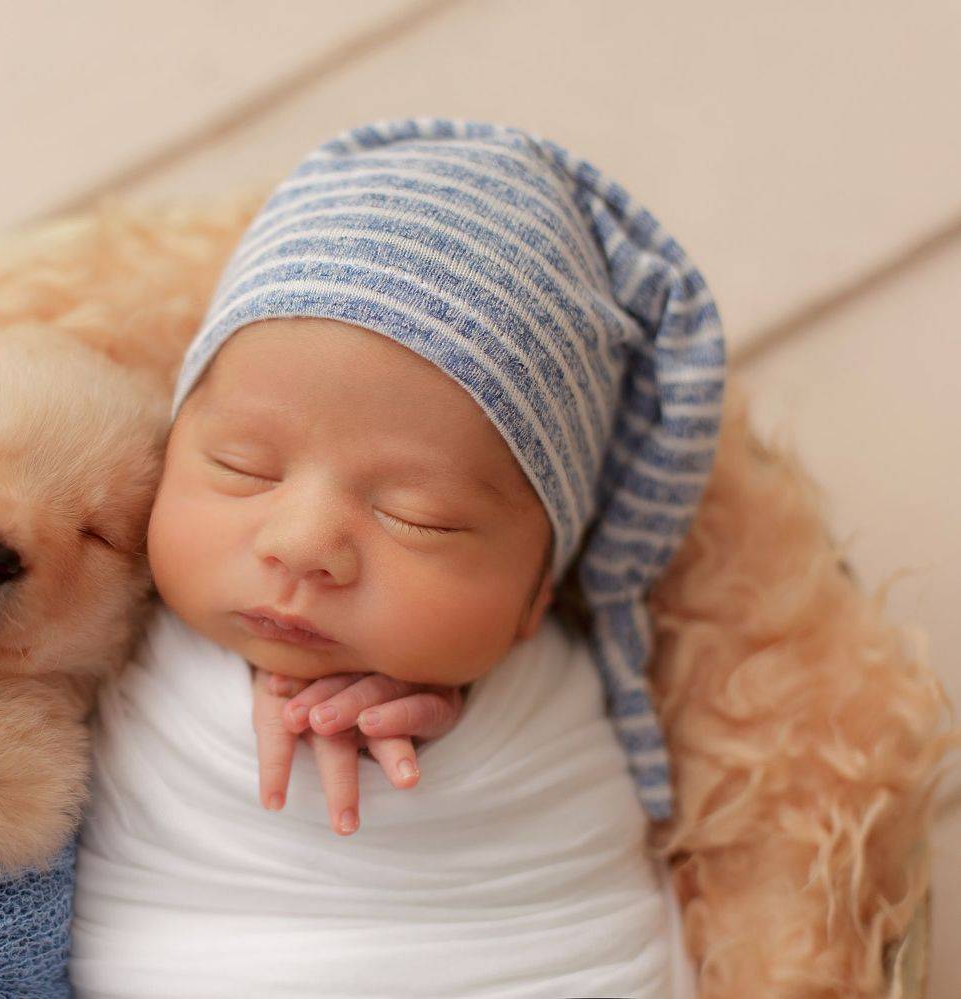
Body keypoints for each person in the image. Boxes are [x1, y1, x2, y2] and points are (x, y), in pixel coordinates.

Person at [69, 117, 723, 997]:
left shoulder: (559, 698)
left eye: (421, 518)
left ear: (538, 593)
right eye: (243, 466)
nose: (302, 544)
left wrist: (460, 720)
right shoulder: (92, 610)